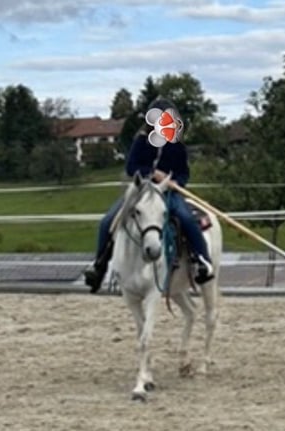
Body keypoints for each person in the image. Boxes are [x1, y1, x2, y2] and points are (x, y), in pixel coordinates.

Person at [84, 97, 214, 293]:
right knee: (108, 221)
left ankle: (202, 260)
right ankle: (99, 265)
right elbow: (131, 167)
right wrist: (152, 173)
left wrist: (176, 183)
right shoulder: (141, 141)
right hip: (142, 190)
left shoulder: (176, 144)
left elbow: (183, 173)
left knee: (186, 218)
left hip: (168, 192)